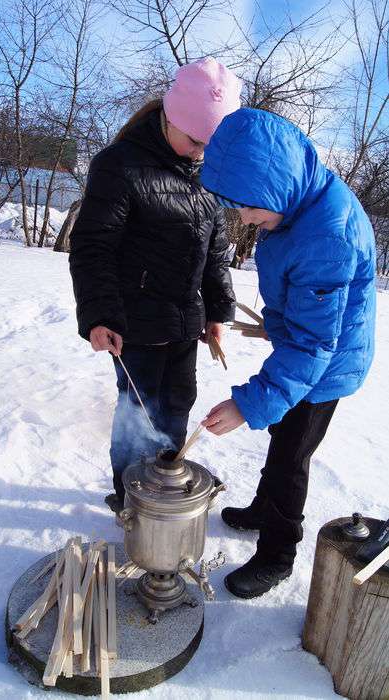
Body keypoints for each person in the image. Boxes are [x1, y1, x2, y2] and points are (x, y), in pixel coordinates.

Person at [200, 107, 376, 599]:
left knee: (290, 459)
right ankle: (262, 510)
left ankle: (277, 554)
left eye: (251, 207)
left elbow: (314, 341)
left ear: (276, 188)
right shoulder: (297, 204)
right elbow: (301, 313)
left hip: (324, 368)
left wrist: (246, 403)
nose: (244, 218)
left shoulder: (327, 237)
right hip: (304, 353)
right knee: (281, 440)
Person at [69, 58, 241, 514]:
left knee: (178, 404)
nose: (199, 151)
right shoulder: (120, 164)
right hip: (135, 324)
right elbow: (92, 246)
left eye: (209, 143)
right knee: (137, 417)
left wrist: (218, 313)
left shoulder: (208, 172)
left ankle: (165, 483)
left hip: (184, 320)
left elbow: (216, 249)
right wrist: (100, 315)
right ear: (171, 117)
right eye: (194, 140)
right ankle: (130, 499)